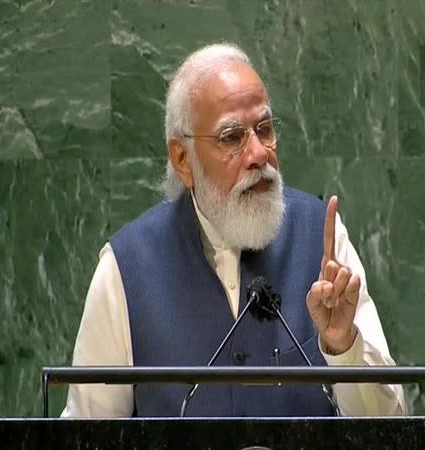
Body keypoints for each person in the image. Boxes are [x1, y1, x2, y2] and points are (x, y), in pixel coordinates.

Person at [62, 43, 405, 417]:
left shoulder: (322, 240)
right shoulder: (125, 269)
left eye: (265, 128)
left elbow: (389, 426)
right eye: (232, 137)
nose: (258, 154)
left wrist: (343, 348)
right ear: (182, 159)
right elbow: (88, 436)